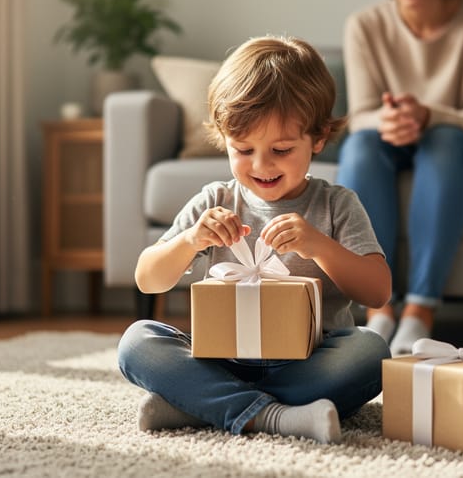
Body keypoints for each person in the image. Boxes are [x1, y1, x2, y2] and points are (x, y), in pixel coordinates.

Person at [117, 35, 392, 444]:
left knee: (372, 351)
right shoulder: (215, 200)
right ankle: (276, 416)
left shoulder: (337, 204)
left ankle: (199, 405)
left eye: (281, 149)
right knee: (136, 342)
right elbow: (147, 279)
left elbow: (377, 292)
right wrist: (191, 240)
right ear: (223, 140)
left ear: (317, 139)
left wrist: (318, 245)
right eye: (243, 149)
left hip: (312, 359)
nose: (261, 165)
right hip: (223, 359)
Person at [336, 0, 463, 355]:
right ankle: (379, 308)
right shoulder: (364, 25)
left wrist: (428, 116)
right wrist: (392, 120)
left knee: (443, 139)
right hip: (392, 139)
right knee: (360, 146)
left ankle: (421, 308)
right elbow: (361, 117)